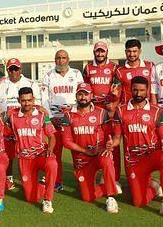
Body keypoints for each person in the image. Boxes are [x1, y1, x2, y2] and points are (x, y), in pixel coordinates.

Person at [111, 76, 163, 220]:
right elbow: (117, 138)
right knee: (138, 202)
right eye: (135, 90)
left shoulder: (156, 111)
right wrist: (112, 144)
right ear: (130, 90)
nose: (138, 93)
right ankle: (154, 187)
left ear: (147, 90)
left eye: (142, 90)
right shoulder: (120, 110)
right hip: (133, 161)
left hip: (152, 156)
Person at [59, 82, 119, 213]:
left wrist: (109, 146)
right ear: (76, 96)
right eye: (80, 94)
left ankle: (111, 197)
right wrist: (87, 151)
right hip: (82, 161)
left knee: (107, 159)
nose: (83, 97)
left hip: (99, 155)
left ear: (91, 96)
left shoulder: (101, 113)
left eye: (86, 94)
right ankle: (107, 186)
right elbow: (66, 142)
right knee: (87, 197)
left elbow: (110, 135)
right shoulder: (68, 115)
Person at [5, 87, 57, 214]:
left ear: (33, 100)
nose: (27, 103)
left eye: (29, 100)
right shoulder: (12, 116)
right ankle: (43, 183)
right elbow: (2, 127)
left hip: (41, 154)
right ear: (18, 100)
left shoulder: (42, 115)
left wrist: (50, 149)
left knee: (52, 164)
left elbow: (52, 136)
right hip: (24, 159)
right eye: (23, 101)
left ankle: (47, 200)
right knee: (30, 198)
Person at [0, 58, 44, 190]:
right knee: (8, 151)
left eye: (16, 68)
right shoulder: (0, 85)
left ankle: (37, 176)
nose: (13, 71)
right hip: (8, 123)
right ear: (7, 70)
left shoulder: (31, 83)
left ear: (20, 69)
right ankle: (8, 178)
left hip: (26, 121)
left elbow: (38, 102)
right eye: (11, 69)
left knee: (30, 148)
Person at [41, 49, 84, 192]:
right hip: (56, 119)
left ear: (68, 60)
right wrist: (50, 117)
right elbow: (44, 98)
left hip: (73, 119)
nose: (61, 60)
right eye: (58, 58)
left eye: (63, 58)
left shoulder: (76, 74)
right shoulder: (48, 75)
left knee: (77, 152)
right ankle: (57, 182)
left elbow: (82, 95)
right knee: (55, 152)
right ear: (55, 60)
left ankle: (82, 179)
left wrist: (76, 115)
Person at [82, 41, 122, 191]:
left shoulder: (114, 67)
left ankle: (115, 178)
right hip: (94, 109)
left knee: (112, 144)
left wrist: (114, 104)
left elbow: (118, 89)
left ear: (107, 52)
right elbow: (85, 88)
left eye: (102, 51)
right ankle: (97, 173)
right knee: (94, 141)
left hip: (109, 109)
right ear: (94, 52)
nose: (100, 54)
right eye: (97, 51)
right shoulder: (87, 68)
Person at [115, 39, 157, 105]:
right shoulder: (119, 71)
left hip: (147, 107)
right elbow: (117, 93)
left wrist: (154, 105)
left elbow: (155, 88)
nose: (131, 54)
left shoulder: (150, 66)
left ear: (140, 52)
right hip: (127, 108)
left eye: (134, 51)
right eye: (129, 51)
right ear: (125, 52)